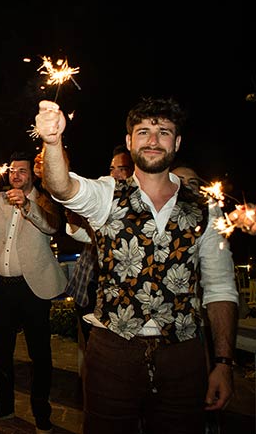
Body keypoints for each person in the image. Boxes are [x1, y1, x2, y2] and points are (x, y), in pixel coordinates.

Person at [35, 97, 239, 433]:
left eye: (164, 132)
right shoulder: (107, 194)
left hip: (183, 357)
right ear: (130, 142)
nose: (153, 140)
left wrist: (223, 363)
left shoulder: (205, 209)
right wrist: (53, 142)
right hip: (112, 353)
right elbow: (62, 187)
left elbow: (220, 288)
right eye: (143, 132)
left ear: (177, 142)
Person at [0, 151, 66, 432]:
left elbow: (51, 227)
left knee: (39, 354)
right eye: (12, 170)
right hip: (1, 288)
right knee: (1, 352)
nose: (15, 175)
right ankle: (4, 407)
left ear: (32, 174)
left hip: (33, 288)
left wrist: (28, 205)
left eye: (22, 171)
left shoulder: (45, 199)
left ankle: (42, 413)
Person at [65, 145, 135, 366]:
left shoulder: (138, 208)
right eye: (112, 168)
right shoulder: (102, 193)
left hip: (118, 297)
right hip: (87, 286)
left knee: (113, 358)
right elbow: (79, 232)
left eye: (121, 169)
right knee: (92, 351)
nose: (114, 174)